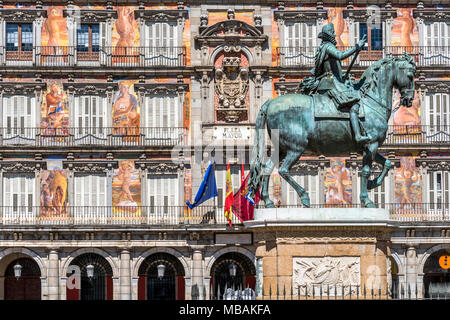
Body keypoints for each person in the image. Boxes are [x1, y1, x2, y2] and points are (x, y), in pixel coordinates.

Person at [301, 23, 370, 144]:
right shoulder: (328, 47)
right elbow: (340, 55)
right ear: (329, 35)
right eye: (333, 33)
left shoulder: (323, 47)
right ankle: (358, 136)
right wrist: (356, 47)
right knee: (354, 104)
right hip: (330, 84)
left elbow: (330, 68)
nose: (334, 35)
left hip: (329, 81)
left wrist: (343, 77)